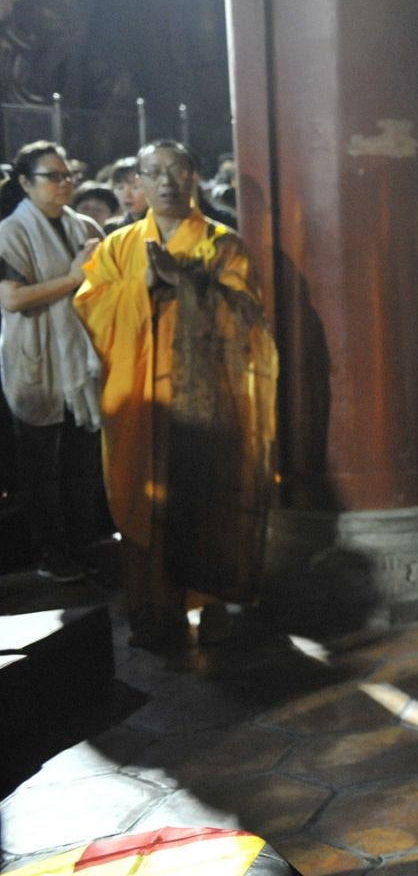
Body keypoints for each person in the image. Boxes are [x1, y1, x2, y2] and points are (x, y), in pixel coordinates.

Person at [74, 140, 277, 650]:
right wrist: (144, 283)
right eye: (153, 172)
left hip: (205, 402)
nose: (165, 181)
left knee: (204, 496)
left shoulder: (222, 243)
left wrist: (186, 281)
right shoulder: (119, 246)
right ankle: (151, 609)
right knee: (143, 498)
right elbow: (91, 305)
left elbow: (247, 318)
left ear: (194, 178)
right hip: (142, 398)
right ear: (137, 182)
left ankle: (208, 604)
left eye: (177, 169)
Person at [0, 142, 105, 583]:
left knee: (82, 462)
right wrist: (73, 278)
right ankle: (52, 552)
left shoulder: (84, 224)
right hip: (37, 356)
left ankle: (85, 544)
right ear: (26, 182)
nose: (65, 183)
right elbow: (14, 299)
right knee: (41, 467)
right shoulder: (11, 231)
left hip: (80, 356)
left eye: (68, 175)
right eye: (53, 176)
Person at [103, 156, 145, 233]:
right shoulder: (112, 228)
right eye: (120, 188)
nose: (127, 195)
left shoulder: (162, 225)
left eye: (135, 187)